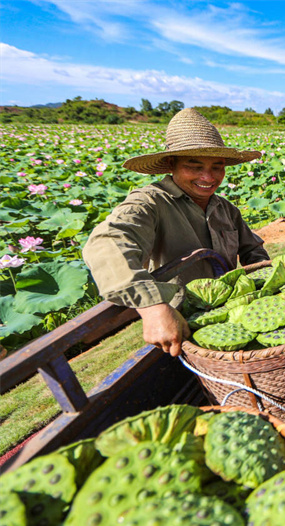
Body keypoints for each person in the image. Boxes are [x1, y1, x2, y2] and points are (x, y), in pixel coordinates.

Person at [83, 108, 270, 356]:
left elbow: (253, 251)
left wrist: (269, 285)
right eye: (194, 166)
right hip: (181, 328)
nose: (208, 176)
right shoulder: (149, 203)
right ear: (172, 164)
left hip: (230, 319)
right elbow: (107, 243)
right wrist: (152, 307)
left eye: (217, 167)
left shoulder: (224, 208)